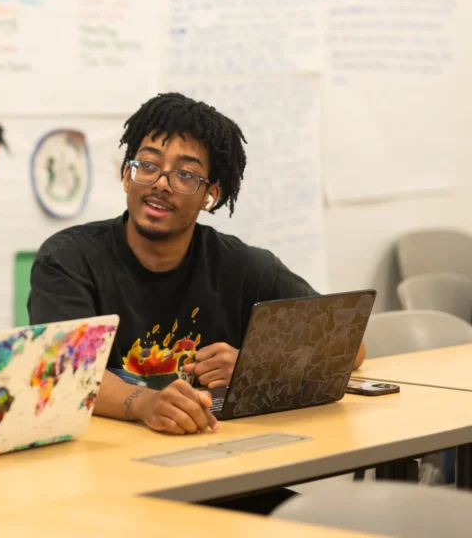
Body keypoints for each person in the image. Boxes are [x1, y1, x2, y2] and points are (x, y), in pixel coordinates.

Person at [28, 93, 365, 513]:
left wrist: (253, 367)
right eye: (147, 165)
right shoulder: (69, 260)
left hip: (212, 474)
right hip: (96, 487)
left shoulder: (242, 266)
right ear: (125, 174)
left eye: (185, 175)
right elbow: (63, 374)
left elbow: (350, 345)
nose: (161, 183)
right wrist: (144, 404)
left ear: (211, 195)